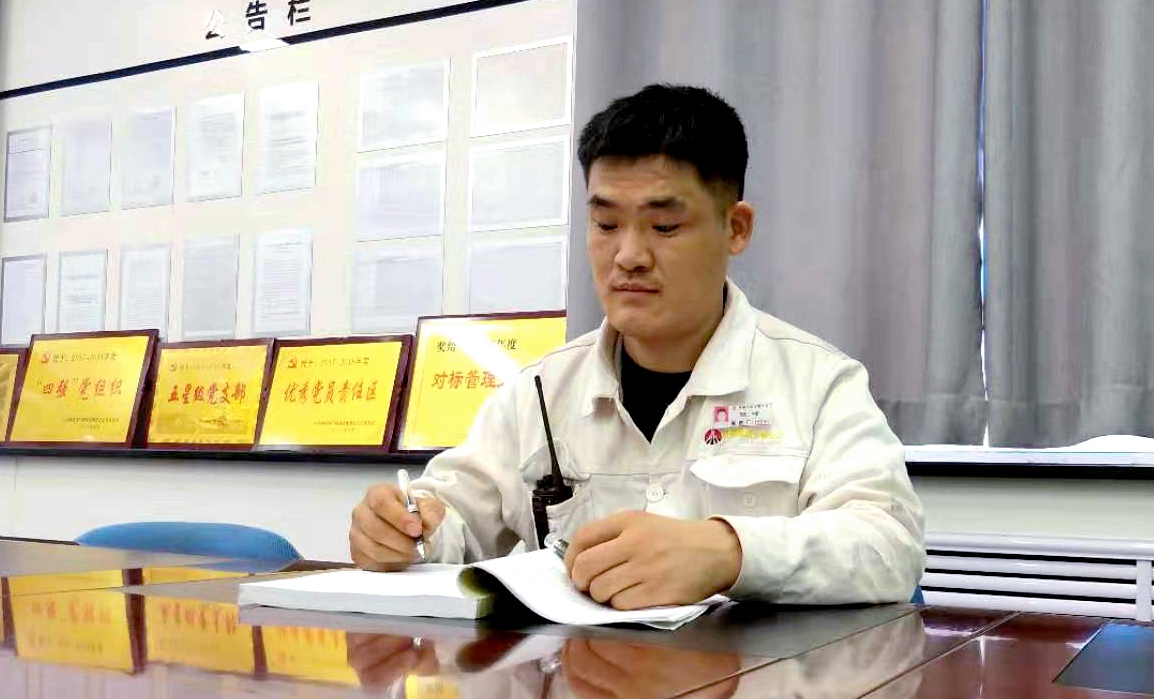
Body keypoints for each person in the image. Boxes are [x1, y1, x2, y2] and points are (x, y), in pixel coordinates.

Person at [350, 83, 924, 607]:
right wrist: (407, 531)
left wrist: (729, 553)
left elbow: (889, 546)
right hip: (580, 683)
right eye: (606, 225)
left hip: (753, 682)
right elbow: (454, 516)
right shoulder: (541, 390)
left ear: (736, 228)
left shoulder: (818, 382)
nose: (628, 256)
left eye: (664, 227)